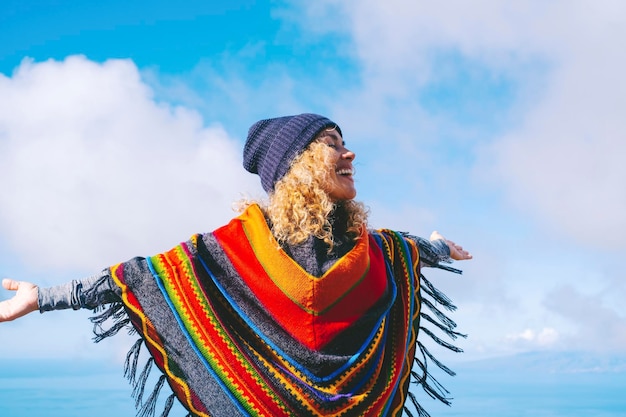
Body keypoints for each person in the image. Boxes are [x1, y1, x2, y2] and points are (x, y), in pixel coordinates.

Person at [0, 113, 472, 417]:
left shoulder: (379, 251)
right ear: (296, 165)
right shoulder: (227, 251)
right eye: (333, 143)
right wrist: (43, 297)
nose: (349, 153)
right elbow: (140, 277)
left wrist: (434, 247)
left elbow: (408, 248)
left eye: (345, 142)